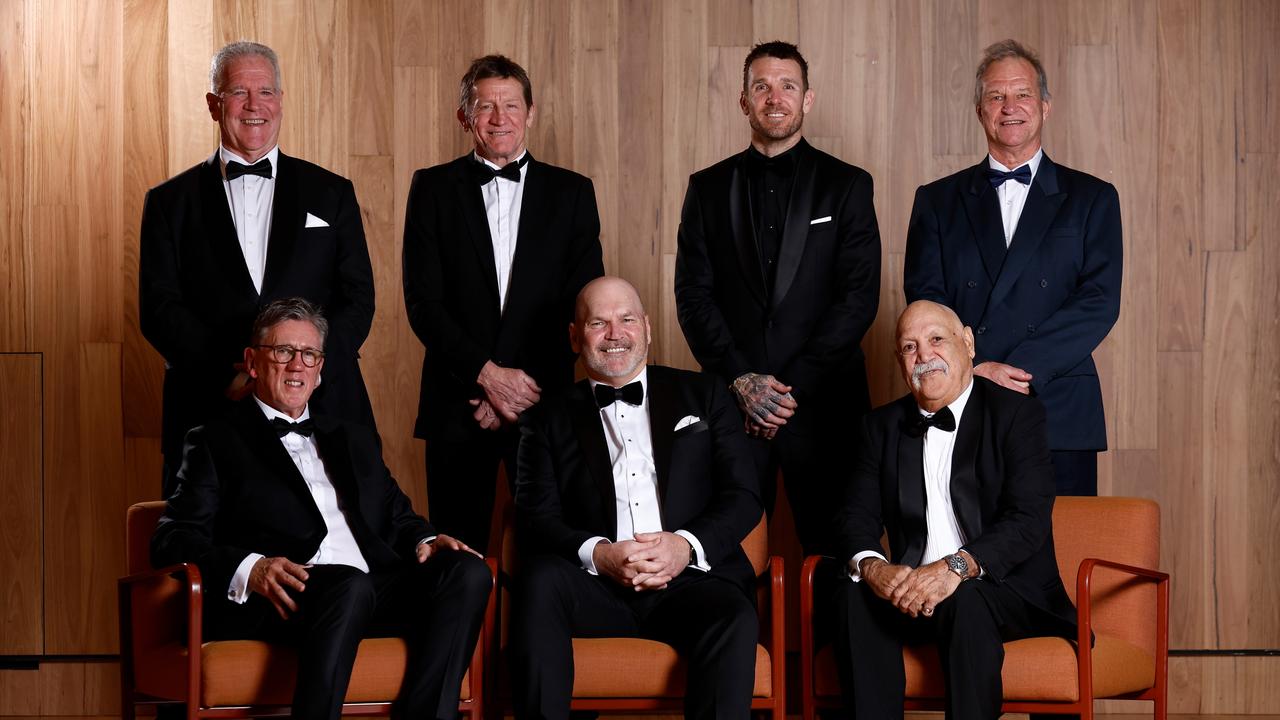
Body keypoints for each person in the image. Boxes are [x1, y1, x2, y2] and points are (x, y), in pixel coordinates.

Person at [151, 298, 490, 720]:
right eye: (283, 351)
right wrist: (251, 567)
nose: (298, 364)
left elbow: (397, 515)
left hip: (371, 588)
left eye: (309, 354)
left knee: (469, 571)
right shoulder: (214, 440)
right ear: (252, 362)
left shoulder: (354, 438)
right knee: (348, 586)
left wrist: (425, 539)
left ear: (321, 369)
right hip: (287, 599)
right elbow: (172, 538)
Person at [510, 277, 762, 720]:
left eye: (626, 319)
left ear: (646, 328)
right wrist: (601, 555)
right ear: (574, 336)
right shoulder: (545, 420)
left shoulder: (704, 395)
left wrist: (683, 547)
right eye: (598, 323)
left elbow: (743, 496)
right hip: (594, 589)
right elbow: (535, 516)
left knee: (733, 613)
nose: (614, 334)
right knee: (539, 581)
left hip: (690, 584)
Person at [140, 41, 376, 497]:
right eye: (238, 93)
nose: (254, 106)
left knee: (345, 553)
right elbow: (159, 308)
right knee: (211, 554)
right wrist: (242, 372)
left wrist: (305, 369)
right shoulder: (170, 202)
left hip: (323, 406)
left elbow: (358, 299)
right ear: (214, 105)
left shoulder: (332, 192)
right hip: (211, 403)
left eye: (266, 92)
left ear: (281, 102)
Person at [675, 40, 881, 555]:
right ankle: (744, 641)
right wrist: (743, 381)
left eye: (788, 86)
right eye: (761, 86)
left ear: (807, 99)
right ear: (744, 101)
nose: (775, 97)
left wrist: (788, 392)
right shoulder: (706, 188)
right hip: (733, 403)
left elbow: (857, 297)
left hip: (824, 403)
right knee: (729, 556)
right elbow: (693, 296)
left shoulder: (849, 185)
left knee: (838, 557)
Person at [830, 300, 1078, 720]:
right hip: (914, 589)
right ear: (899, 361)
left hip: (1002, 588)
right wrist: (875, 568)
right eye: (909, 347)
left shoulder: (1017, 414)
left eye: (936, 340)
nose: (924, 356)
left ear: (968, 342)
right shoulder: (880, 427)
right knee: (853, 596)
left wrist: (954, 569)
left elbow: (1027, 519)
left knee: (967, 602)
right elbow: (854, 517)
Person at [403, 54, 603, 555]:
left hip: (544, 402)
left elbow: (582, 309)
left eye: (511, 105)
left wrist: (518, 389)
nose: (499, 118)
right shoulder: (431, 188)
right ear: (464, 116)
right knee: (456, 554)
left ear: (531, 112)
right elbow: (423, 303)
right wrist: (487, 377)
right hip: (457, 404)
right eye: (485, 106)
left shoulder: (573, 193)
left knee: (549, 549)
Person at [903, 39, 1122, 496]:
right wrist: (976, 368)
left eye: (1022, 94)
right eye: (995, 97)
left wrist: (1016, 368)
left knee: (1064, 546)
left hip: (1058, 402)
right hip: (968, 398)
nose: (1010, 107)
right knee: (971, 555)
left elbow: (1098, 302)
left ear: (1044, 106)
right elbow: (927, 303)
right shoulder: (937, 200)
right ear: (979, 111)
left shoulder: (1093, 198)